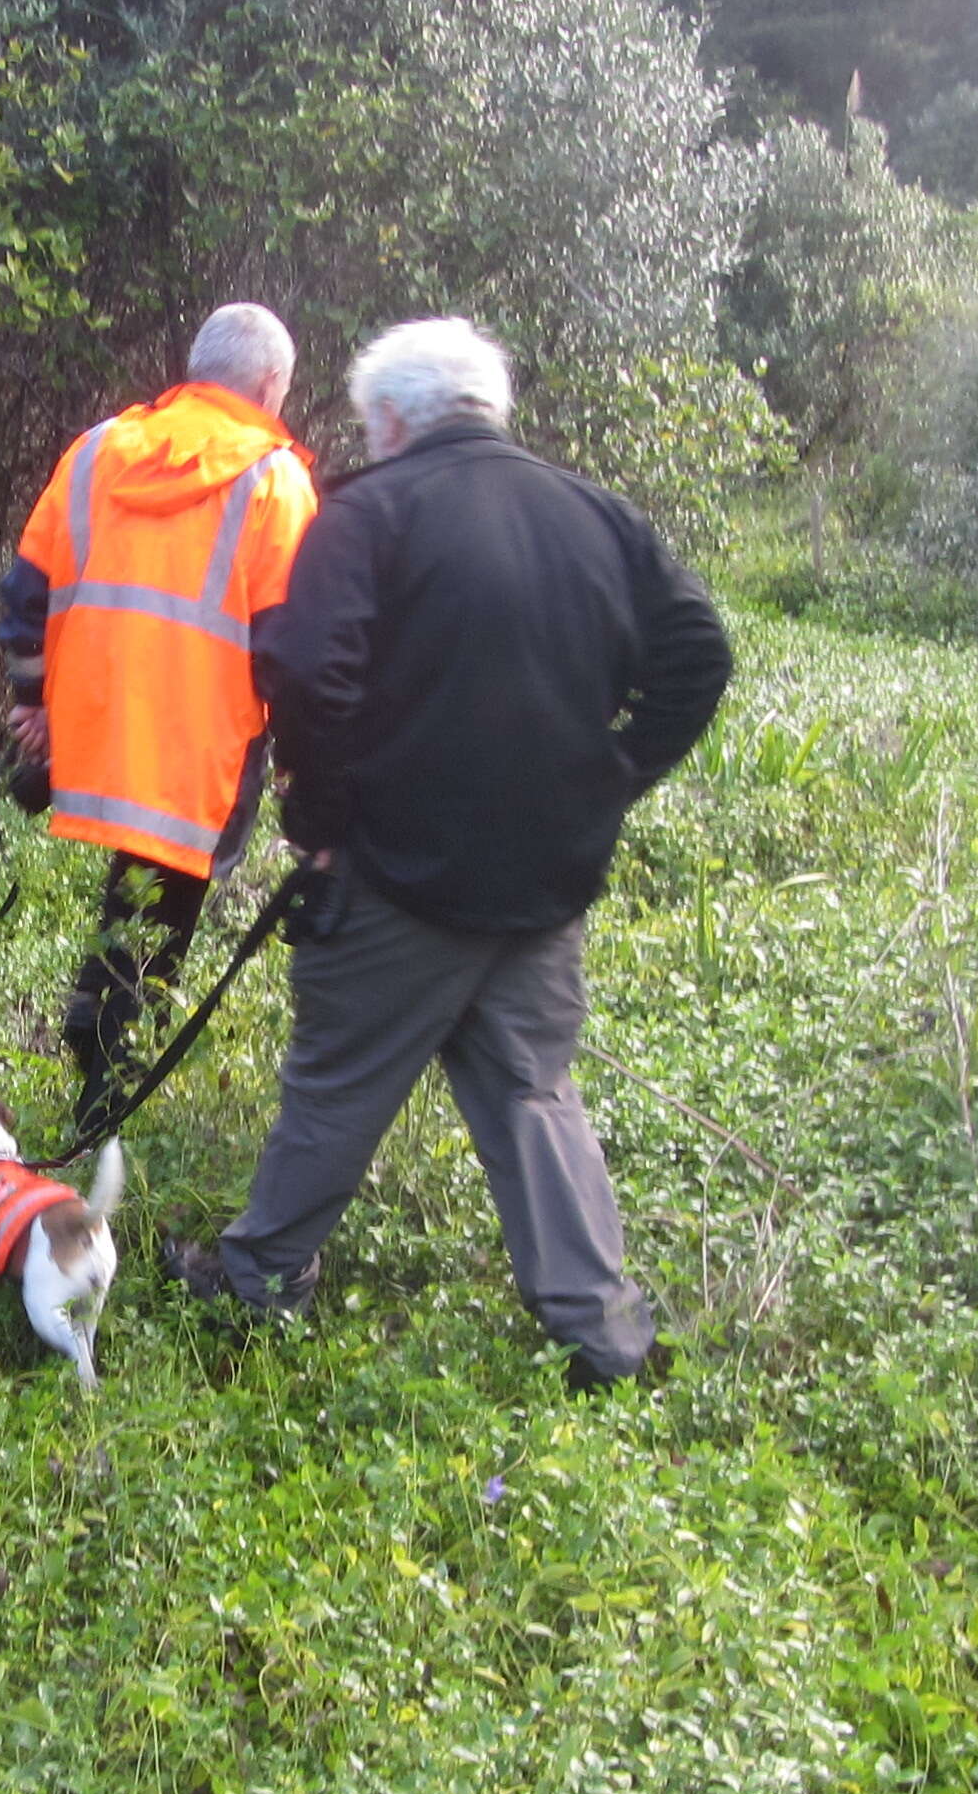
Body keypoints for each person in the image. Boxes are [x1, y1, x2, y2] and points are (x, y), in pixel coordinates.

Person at [171, 316, 731, 1390]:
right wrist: (612, 776)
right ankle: (604, 1337)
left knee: (336, 1085)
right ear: (488, 407)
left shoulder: (368, 515)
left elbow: (300, 669)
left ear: (389, 419)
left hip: (394, 880)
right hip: (542, 879)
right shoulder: (596, 515)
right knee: (533, 1091)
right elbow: (699, 653)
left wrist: (320, 825)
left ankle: (259, 1283)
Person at [0, 303, 320, 1135]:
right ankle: (105, 1068)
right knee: (166, 898)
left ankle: (99, 1030)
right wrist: (303, 764)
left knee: (144, 891)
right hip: (197, 751)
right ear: (269, 385)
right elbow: (287, 643)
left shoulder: (99, 449)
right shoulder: (275, 479)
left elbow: (25, 591)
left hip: (97, 734)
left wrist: (32, 701)